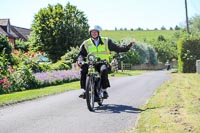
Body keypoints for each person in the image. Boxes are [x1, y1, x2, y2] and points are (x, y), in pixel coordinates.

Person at [77, 25, 134, 99]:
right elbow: (81, 54)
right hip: (91, 63)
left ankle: (104, 90)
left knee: (103, 70)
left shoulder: (106, 41)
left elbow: (118, 48)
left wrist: (128, 46)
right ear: (90, 33)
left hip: (102, 62)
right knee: (83, 70)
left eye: (95, 32)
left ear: (98, 32)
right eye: (92, 32)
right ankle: (85, 90)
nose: (94, 33)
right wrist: (80, 61)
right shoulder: (86, 43)